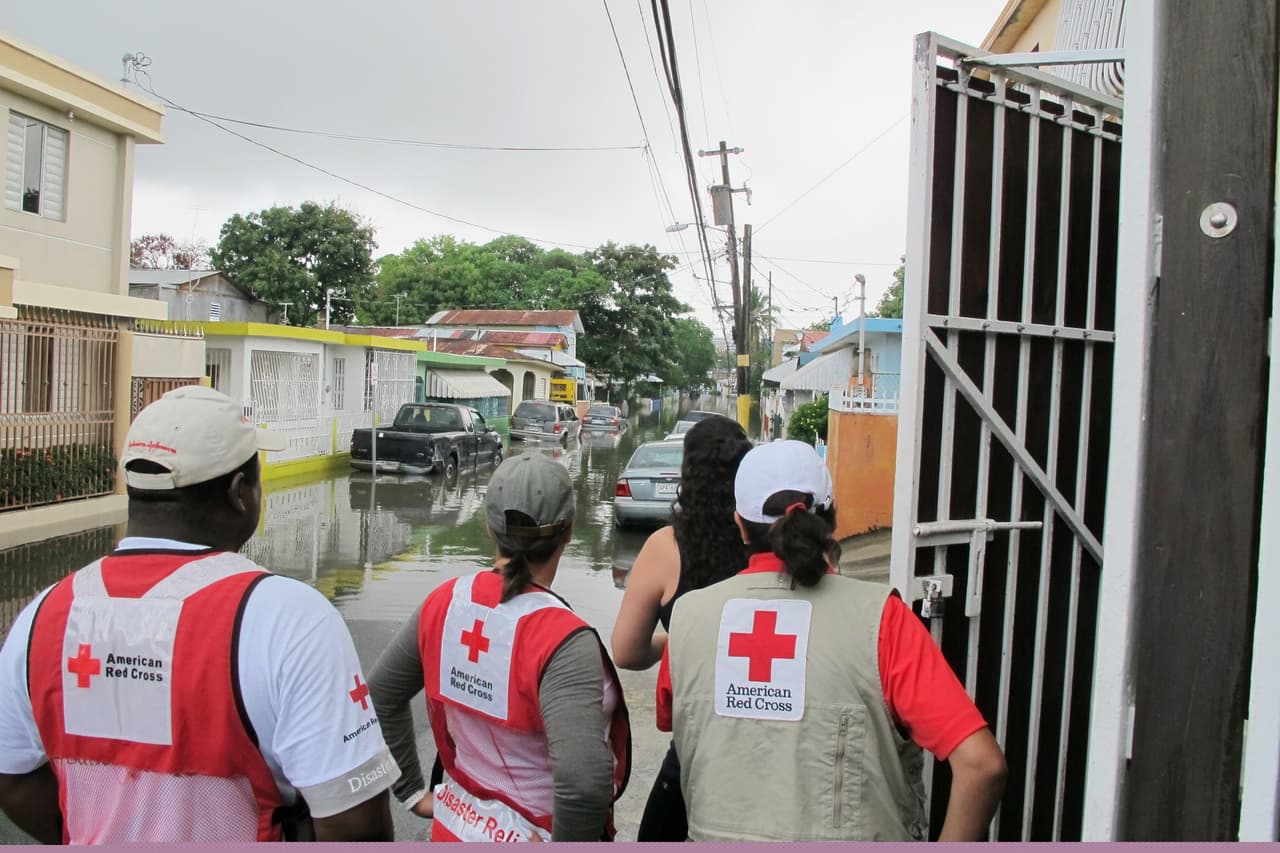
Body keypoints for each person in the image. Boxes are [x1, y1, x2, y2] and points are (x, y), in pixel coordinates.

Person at [0, 386, 398, 844]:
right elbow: (354, 823)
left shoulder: (43, 615)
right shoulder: (289, 618)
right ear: (240, 492)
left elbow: (12, 777)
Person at [658, 440, 1007, 841]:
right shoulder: (882, 620)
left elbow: (674, 722)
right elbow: (982, 766)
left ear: (739, 523)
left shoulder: (688, 618)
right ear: (830, 518)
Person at [368, 453, 630, 842]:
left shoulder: (445, 603)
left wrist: (411, 792)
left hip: (454, 828)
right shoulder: (563, 641)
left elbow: (380, 695)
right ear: (569, 531)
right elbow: (582, 782)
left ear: (489, 528)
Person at [611, 414, 752, 841]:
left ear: (686, 474)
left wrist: (673, 640)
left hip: (695, 746)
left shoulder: (665, 547)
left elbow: (626, 651)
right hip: (769, 743)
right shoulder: (771, 544)